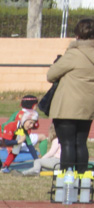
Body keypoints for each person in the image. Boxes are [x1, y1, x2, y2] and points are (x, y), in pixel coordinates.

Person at [47, 17, 94, 178]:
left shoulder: (74, 54)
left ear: (78, 35)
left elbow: (51, 74)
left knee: (66, 143)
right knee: (81, 143)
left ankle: (65, 179)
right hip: (88, 105)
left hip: (67, 105)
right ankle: (82, 178)